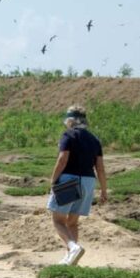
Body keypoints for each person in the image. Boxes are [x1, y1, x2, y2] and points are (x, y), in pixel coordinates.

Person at [47, 106, 107, 266]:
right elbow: (100, 167)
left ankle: (73, 247)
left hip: (69, 180)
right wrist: (103, 190)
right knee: (72, 222)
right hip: (88, 181)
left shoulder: (68, 135)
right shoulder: (94, 139)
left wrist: (53, 180)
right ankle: (70, 258)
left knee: (58, 220)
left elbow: (62, 160)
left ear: (70, 120)